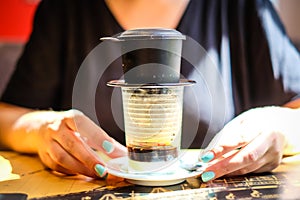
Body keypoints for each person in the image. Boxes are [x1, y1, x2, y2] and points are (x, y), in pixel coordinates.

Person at [0, 0, 300, 182]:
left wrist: (278, 127)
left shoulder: (241, 7)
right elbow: (7, 116)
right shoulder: (64, 10)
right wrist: (40, 129)